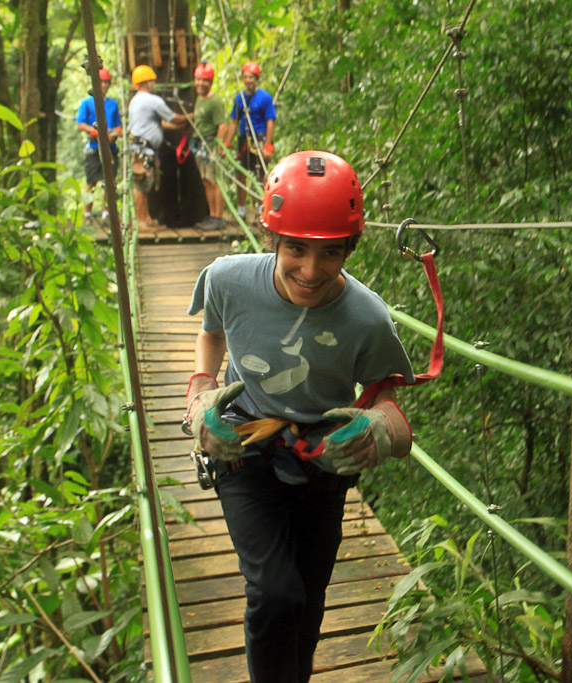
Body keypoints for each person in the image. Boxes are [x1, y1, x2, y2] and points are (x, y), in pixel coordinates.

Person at [185, 150, 414, 682]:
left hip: (322, 467)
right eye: (295, 250)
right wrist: (200, 394)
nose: (310, 272)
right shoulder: (228, 280)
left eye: (331, 254)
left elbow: (385, 397)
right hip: (245, 447)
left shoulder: (368, 317)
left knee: (308, 604)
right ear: (273, 241)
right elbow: (212, 331)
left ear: (350, 249)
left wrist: (382, 428)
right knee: (274, 593)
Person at [127, 64, 189, 231]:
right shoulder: (152, 100)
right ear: (147, 82)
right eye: (152, 81)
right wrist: (190, 117)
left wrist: (178, 126)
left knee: (145, 184)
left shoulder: (136, 100)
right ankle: (140, 222)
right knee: (141, 184)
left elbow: (158, 123)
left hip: (140, 148)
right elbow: (174, 118)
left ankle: (145, 218)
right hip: (142, 149)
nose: (155, 84)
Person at [223, 61, 276, 222]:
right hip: (243, 139)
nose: (248, 80)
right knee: (241, 174)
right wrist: (227, 142)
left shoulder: (265, 97)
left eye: (251, 77)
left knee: (261, 175)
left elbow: (270, 121)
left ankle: (263, 209)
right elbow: (234, 121)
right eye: (245, 77)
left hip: (259, 138)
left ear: (256, 79)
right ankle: (241, 210)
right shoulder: (240, 98)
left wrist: (268, 143)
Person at [75, 68, 122, 226]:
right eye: (101, 82)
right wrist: (95, 131)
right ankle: (87, 214)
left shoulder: (113, 104)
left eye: (106, 82)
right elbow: (80, 124)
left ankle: (106, 214)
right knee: (91, 182)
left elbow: (118, 126)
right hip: (94, 147)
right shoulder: (87, 103)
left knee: (109, 182)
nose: (103, 85)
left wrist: (114, 133)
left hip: (110, 148)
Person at [191, 62, 228, 231]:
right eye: (198, 79)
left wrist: (217, 149)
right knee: (206, 181)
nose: (200, 83)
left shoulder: (215, 101)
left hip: (211, 144)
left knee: (215, 182)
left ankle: (218, 217)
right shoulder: (200, 98)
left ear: (210, 82)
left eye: (204, 80)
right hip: (201, 145)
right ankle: (213, 215)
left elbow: (222, 125)